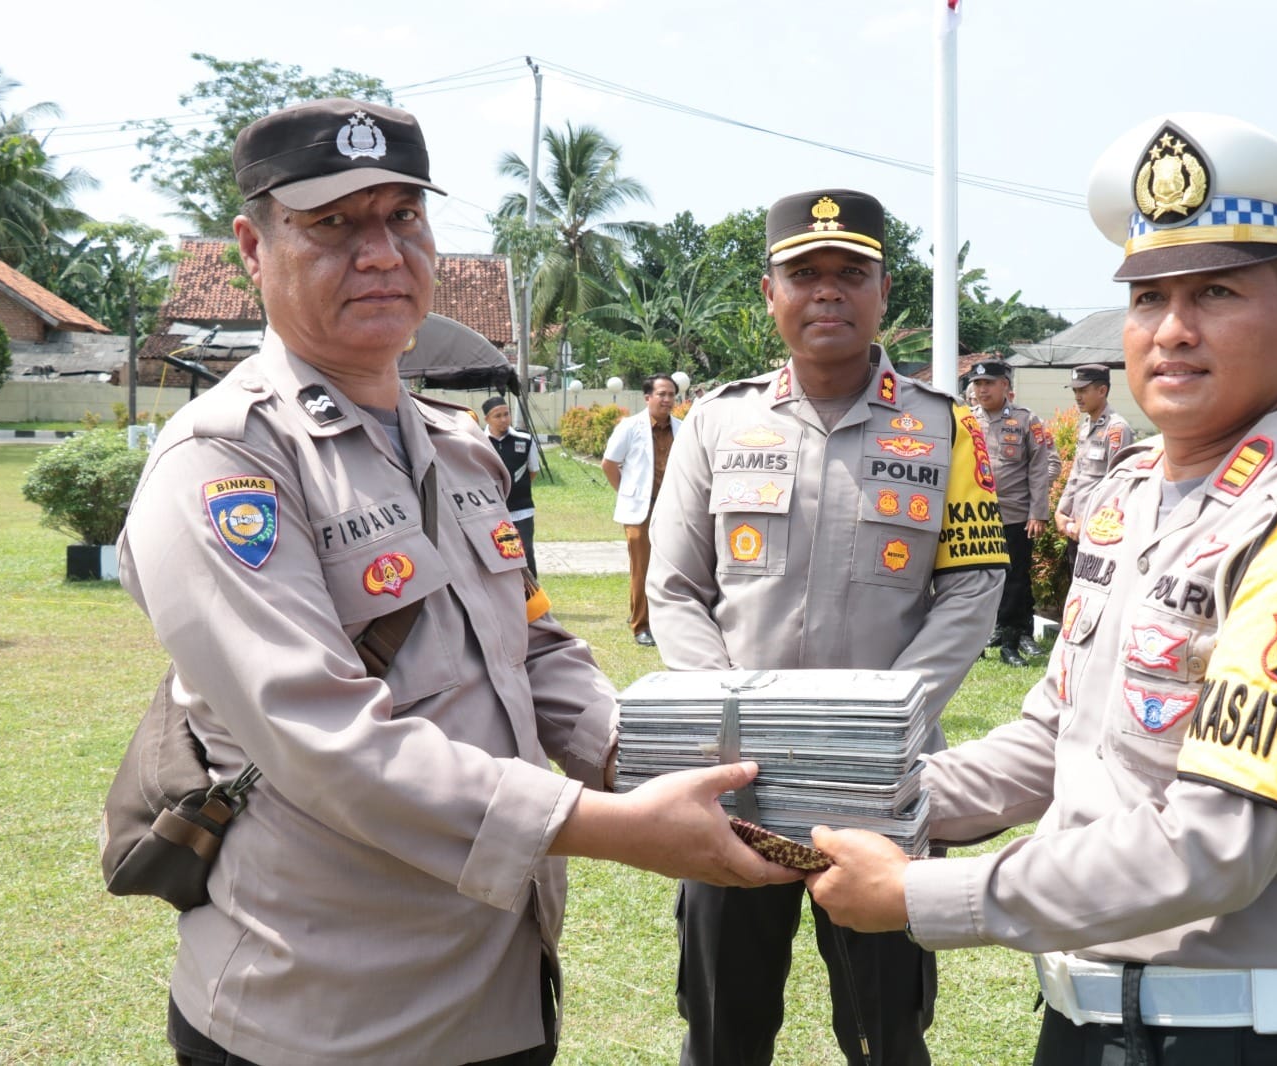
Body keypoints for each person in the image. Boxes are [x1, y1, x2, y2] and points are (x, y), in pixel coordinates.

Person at [116, 98, 796, 1066]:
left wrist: (647, 761)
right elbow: (322, 737)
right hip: (323, 1009)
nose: (383, 251)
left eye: (404, 216)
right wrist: (611, 826)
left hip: (495, 983)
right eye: (333, 223)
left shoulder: (459, 449)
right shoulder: (228, 461)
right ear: (252, 246)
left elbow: (537, 648)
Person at [806, 113, 1277, 1066]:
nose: (1174, 331)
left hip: (1236, 1041)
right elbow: (1052, 743)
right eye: (1149, 298)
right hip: (1089, 1023)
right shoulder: (1132, 499)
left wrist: (919, 896)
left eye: (1217, 293)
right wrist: (870, 797)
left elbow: (1216, 845)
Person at [647, 188, 1006, 1066]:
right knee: (724, 1025)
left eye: (851, 274)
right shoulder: (716, 423)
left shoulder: (947, 427)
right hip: (735, 785)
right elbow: (675, 587)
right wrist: (732, 717)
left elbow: (971, 588)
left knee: (888, 1028)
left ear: (885, 293)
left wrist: (884, 721)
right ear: (770, 295)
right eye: (804, 275)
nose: (828, 293)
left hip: (879, 784)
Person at [964, 359, 1057, 665]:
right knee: (974, 579)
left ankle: (1010, 643)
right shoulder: (965, 419)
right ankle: (974, 642)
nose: (982, 389)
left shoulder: (1026, 420)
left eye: (988, 383)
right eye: (978, 384)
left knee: (1014, 580)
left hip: (1015, 516)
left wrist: (1038, 513)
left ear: (1005, 384)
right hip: (976, 516)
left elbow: (1039, 468)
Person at [601, 374, 681, 646]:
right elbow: (609, 464)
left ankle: (665, 621)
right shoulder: (630, 427)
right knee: (642, 568)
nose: (667, 400)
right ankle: (641, 625)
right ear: (648, 397)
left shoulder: (682, 428)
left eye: (671, 394)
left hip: (672, 509)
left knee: (671, 567)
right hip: (640, 511)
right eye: (662, 394)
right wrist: (627, 493)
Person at [1054, 363, 1134, 546]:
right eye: (1075, 391)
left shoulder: (1116, 429)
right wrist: (1062, 511)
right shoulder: (1087, 426)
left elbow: (1117, 484)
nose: (1078, 397)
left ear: (1102, 390)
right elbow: (1077, 475)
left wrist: (1089, 517)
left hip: (1098, 527)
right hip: (1075, 525)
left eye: (1082, 390)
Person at [483, 394, 540, 577]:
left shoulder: (524, 440)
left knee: (525, 552)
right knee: (496, 554)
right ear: (487, 419)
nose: (504, 419)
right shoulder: (478, 442)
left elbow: (533, 471)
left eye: (506, 414)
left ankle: (532, 598)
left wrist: (515, 489)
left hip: (521, 509)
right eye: (497, 416)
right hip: (490, 510)